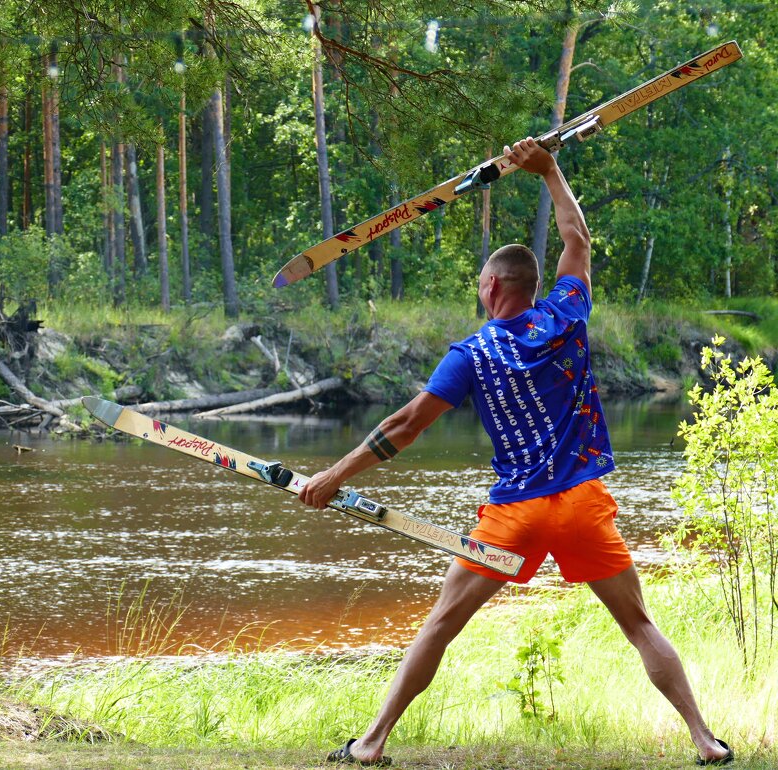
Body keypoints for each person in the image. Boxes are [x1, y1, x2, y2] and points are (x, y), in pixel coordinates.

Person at [298, 138, 733, 767]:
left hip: (514, 517)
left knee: (442, 625)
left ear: (493, 284)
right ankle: (703, 739)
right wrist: (549, 171)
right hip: (583, 504)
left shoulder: (471, 353)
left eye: (480, 279)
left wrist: (335, 475)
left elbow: (406, 424)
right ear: (532, 286)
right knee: (639, 625)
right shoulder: (565, 316)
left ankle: (370, 743)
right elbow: (577, 241)